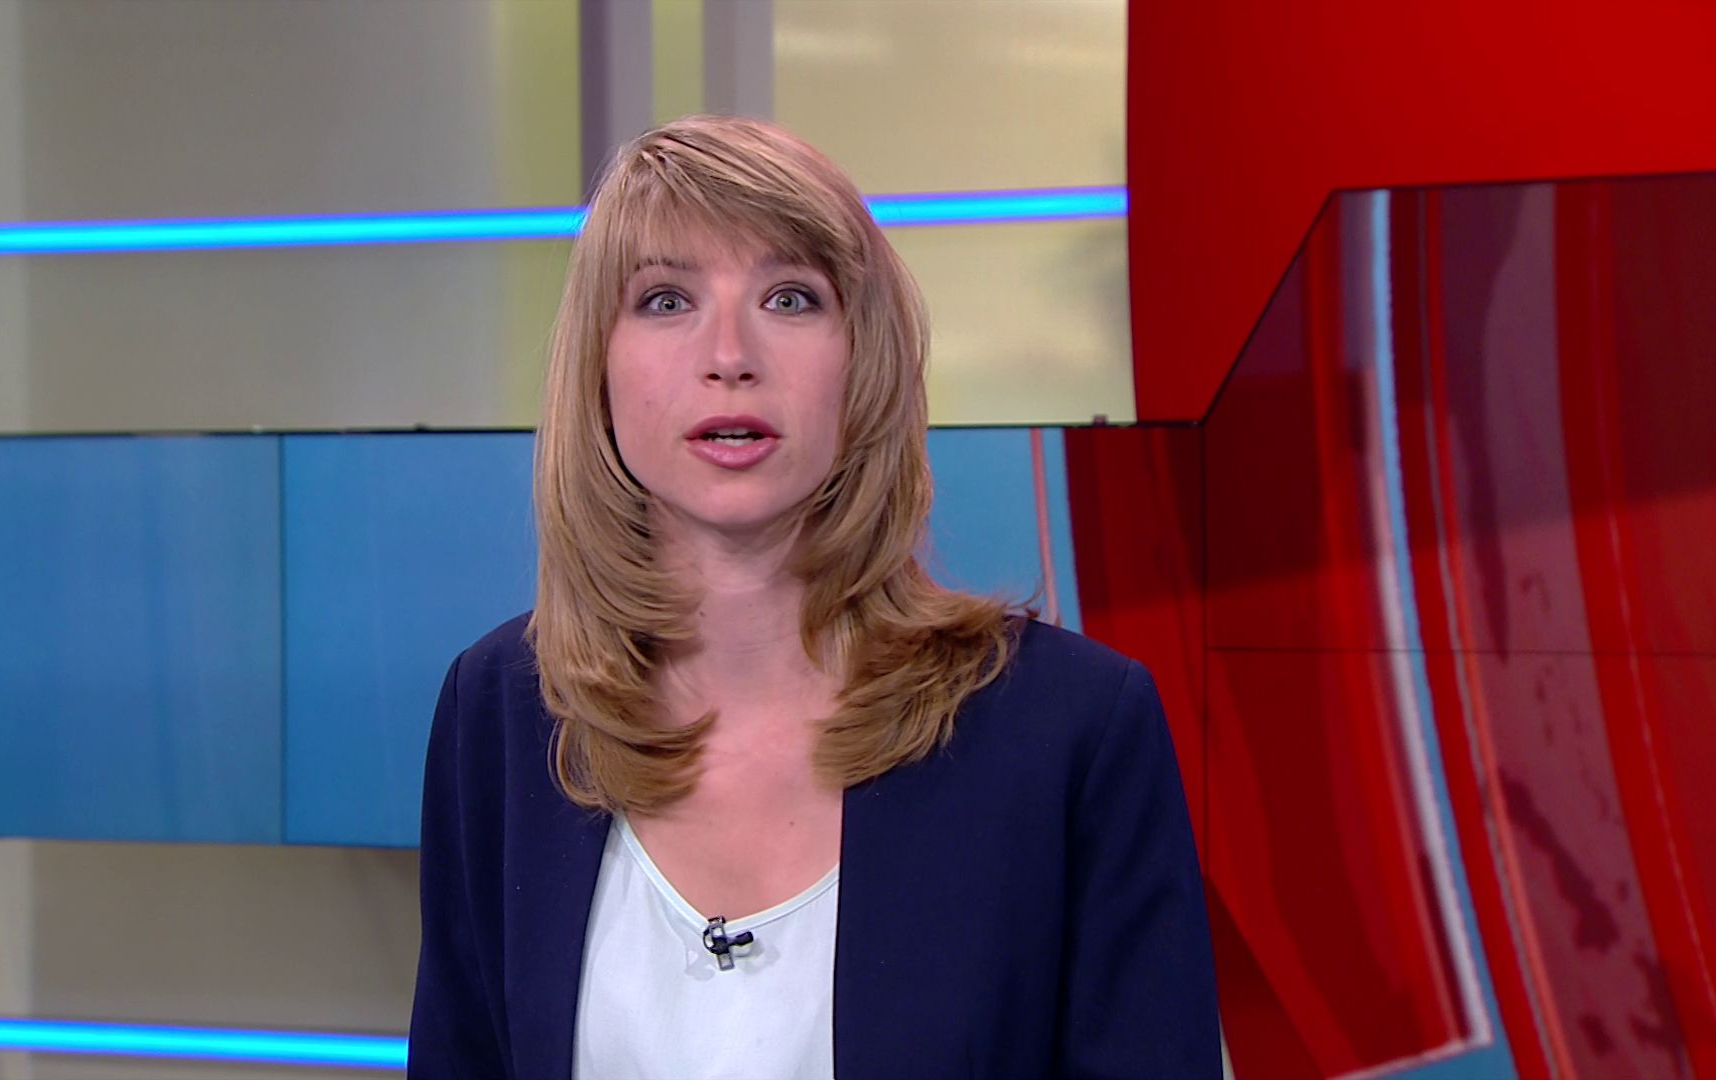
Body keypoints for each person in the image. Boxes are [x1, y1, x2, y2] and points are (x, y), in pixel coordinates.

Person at [408, 115, 1218, 1080]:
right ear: (598, 370)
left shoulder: (1072, 731)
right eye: (665, 299)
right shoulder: (502, 709)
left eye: (790, 298)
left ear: (864, 364)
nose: (729, 354)